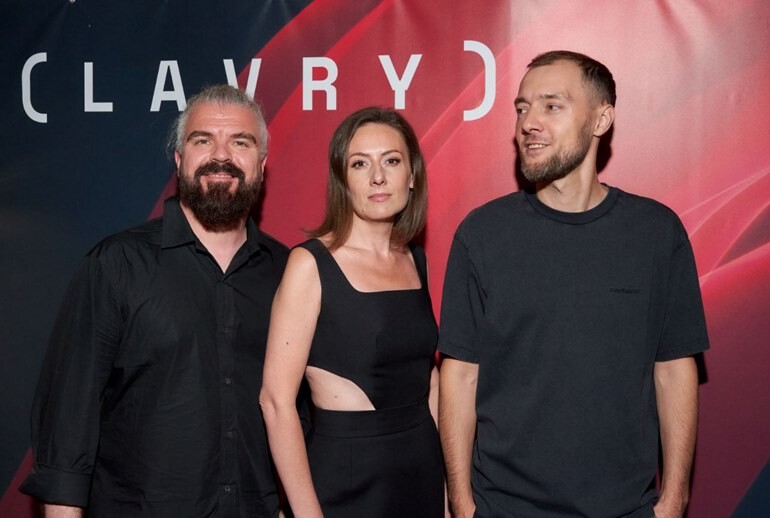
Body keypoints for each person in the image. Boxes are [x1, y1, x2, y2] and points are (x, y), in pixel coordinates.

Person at [438, 50, 710, 518]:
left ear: (601, 119)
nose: (529, 123)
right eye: (522, 108)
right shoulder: (481, 235)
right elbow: (460, 374)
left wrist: (673, 500)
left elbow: (673, 368)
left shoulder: (655, 233)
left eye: (552, 105)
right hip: (504, 507)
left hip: (626, 507)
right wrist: (462, 504)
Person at [19, 85, 289, 517]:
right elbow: (69, 420)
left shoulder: (288, 274)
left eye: (241, 142)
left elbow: (303, 416)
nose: (221, 156)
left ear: (262, 163)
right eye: (203, 141)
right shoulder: (116, 265)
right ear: (180, 160)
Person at [259, 107, 444, 517]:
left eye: (391, 161)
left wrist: (447, 493)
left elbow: (428, 380)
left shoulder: (415, 260)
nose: (377, 177)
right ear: (343, 180)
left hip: (422, 472)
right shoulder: (310, 265)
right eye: (360, 164)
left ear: (412, 175)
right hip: (348, 481)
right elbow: (275, 401)